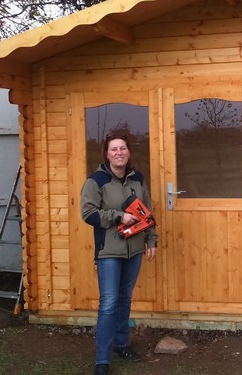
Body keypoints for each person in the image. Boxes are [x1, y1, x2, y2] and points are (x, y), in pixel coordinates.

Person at [80, 133, 157, 375]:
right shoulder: (96, 181)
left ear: (128, 152)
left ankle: (122, 344)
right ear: (106, 153)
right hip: (109, 252)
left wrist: (151, 240)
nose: (119, 153)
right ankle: (102, 360)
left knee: (125, 299)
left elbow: (147, 211)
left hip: (134, 250)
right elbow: (88, 214)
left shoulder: (137, 179)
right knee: (109, 303)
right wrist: (117, 216)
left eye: (123, 148)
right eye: (114, 149)